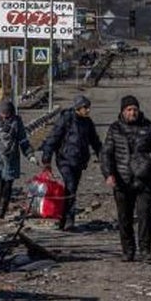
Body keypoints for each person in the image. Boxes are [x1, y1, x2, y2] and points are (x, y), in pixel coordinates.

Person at [100, 94, 151, 262]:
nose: (133, 113)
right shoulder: (115, 129)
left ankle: (145, 250)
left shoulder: (147, 126)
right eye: (129, 110)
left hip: (144, 177)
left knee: (145, 215)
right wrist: (108, 174)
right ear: (123, 112)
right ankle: (128, 250)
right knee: (125, 217)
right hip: (122, 179)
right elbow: (106, 154)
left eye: (135, 109)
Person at [40, 94, 102, 231]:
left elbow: (95, 142)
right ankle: (69, 220)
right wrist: (46, 159)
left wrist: (103, 157)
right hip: (64, 160)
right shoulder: (66, 119)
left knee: (71, 188)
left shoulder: (87, 122)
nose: (88, 110)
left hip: (79, 161)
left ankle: (63, 219)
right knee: (71, 187)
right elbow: (53, 138)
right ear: (78, 108)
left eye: (88, 107)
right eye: (85, 107)